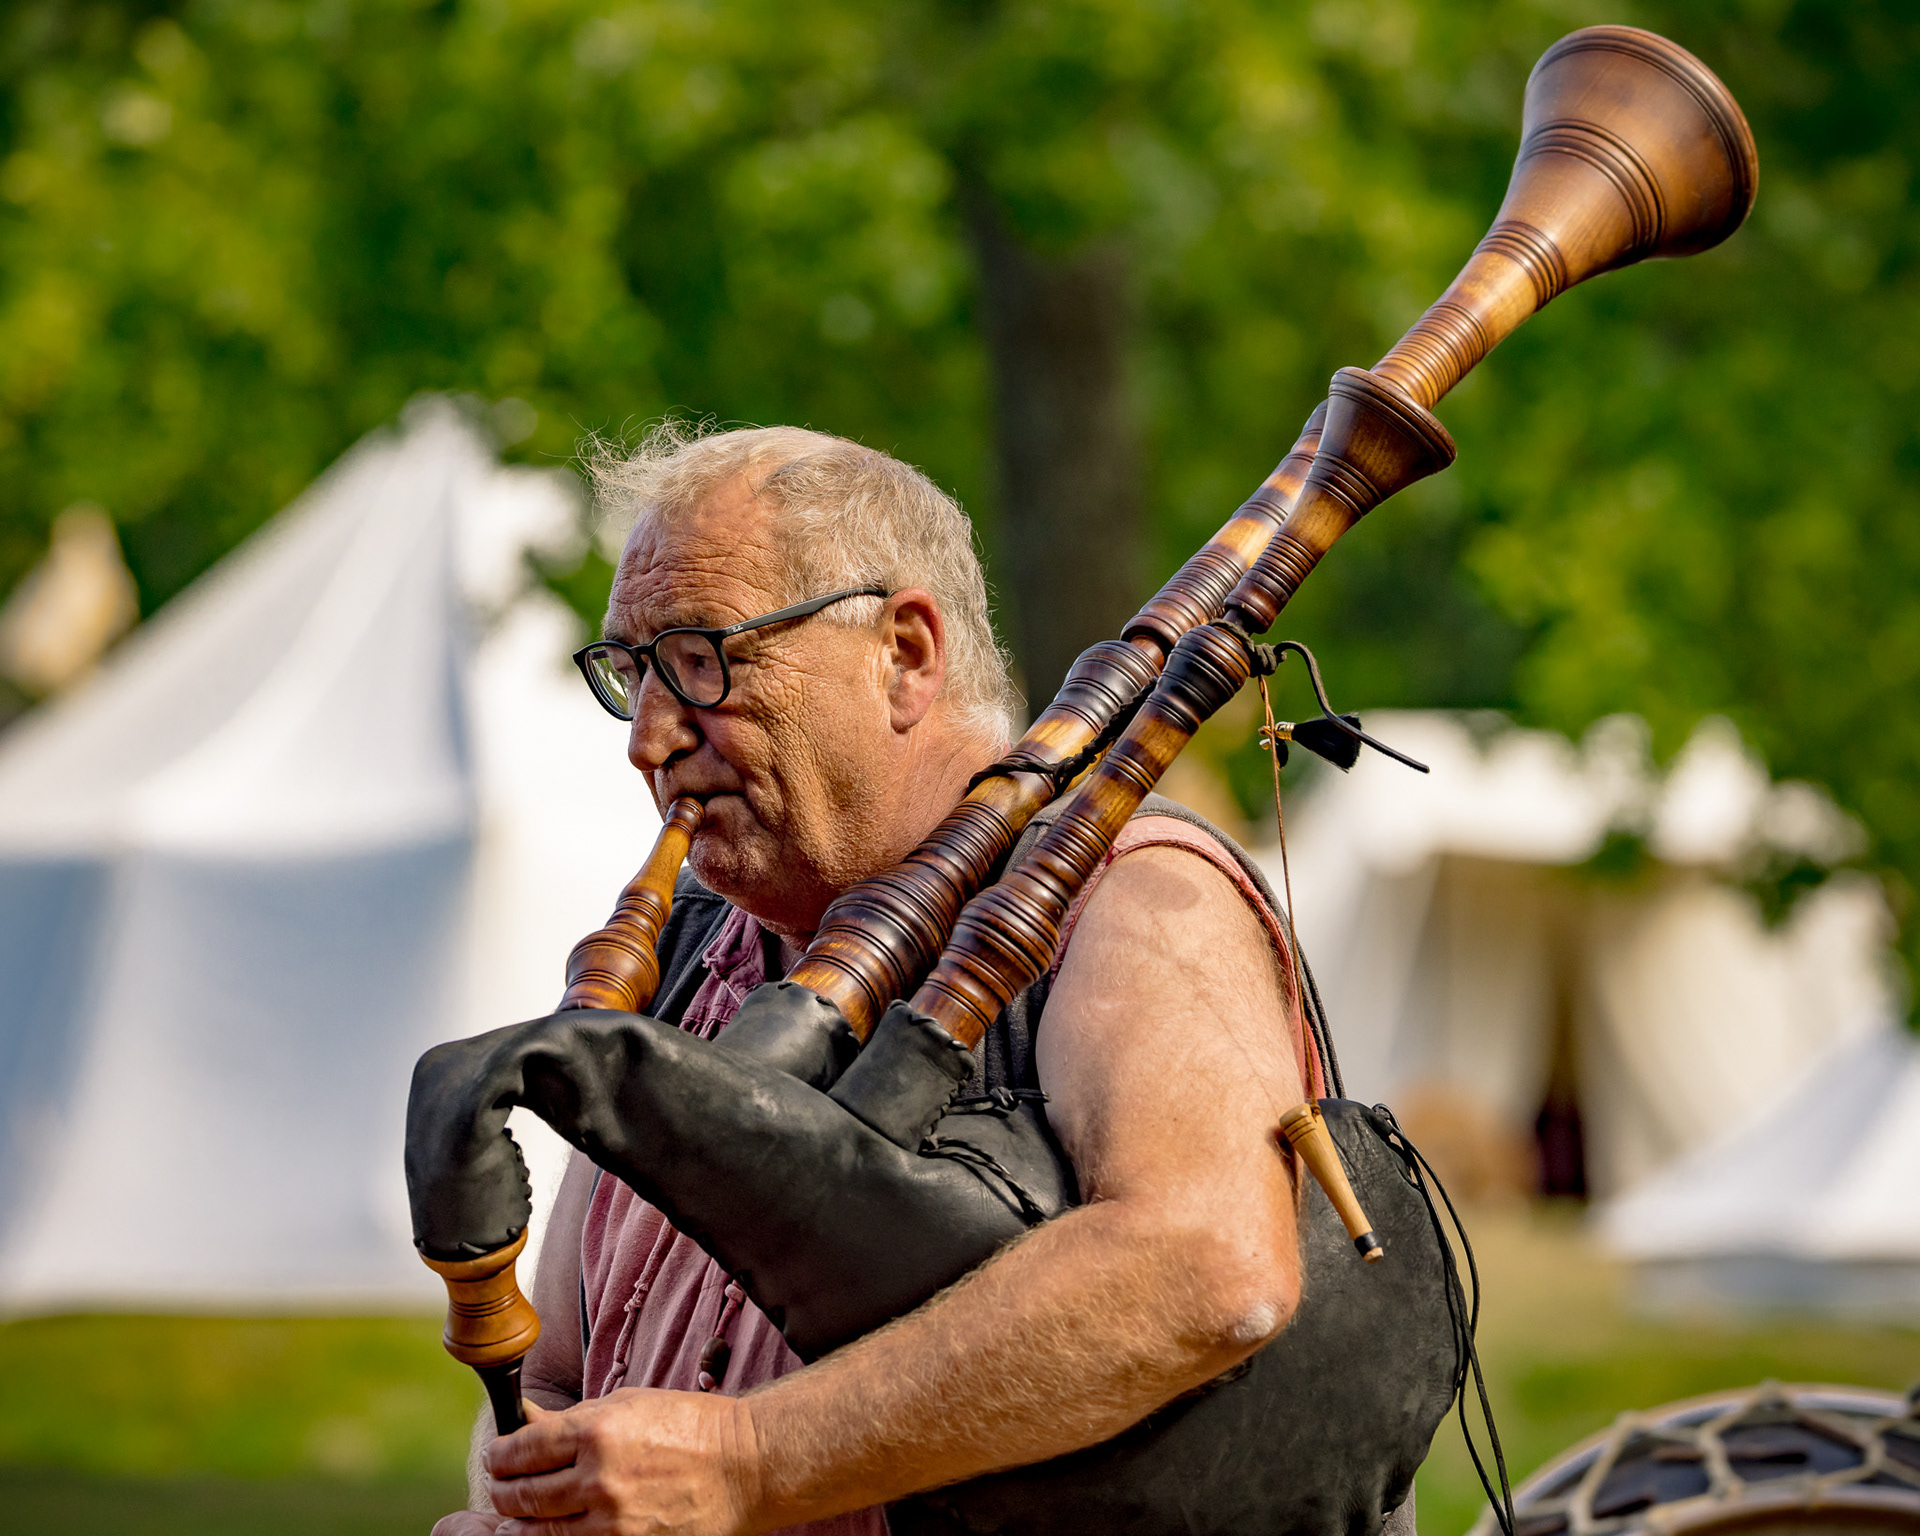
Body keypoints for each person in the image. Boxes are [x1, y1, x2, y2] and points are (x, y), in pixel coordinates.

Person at [433, 424, 1316, 1536]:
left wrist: (749, 1464)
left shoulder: (1129, 893)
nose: (648, 739)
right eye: (632, 672)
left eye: (701, 658)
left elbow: (1207, 1266)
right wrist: (528, 1506)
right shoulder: (692, 947)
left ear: (903, 652)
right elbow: (560, 1366)